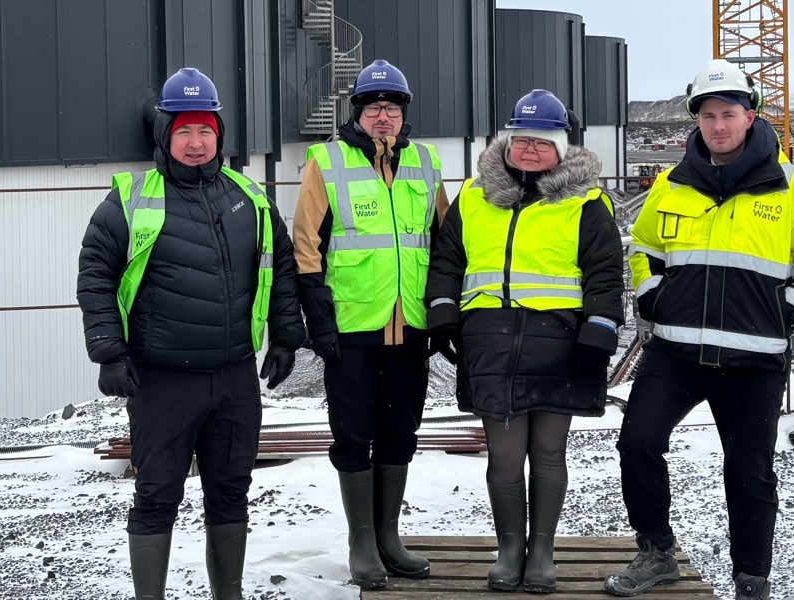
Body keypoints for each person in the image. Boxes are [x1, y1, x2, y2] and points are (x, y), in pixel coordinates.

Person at [603, 59, 794, 599]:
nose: (719, 125)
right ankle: (656, 552)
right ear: (697, 120)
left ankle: (751, 579)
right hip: (675, 354)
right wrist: (653, 294)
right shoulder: (671, 184)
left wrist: (787, 311)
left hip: (752, 359)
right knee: (637, 443)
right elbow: (644, 248)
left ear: (750, 116)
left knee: (749, 470)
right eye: (708, 115)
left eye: (729, 114)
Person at [77, 67, 306, 600]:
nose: (196, 142)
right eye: (184, 131)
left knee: (230, 492)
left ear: (219, 135)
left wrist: (286, 336)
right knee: (157, 494)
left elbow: (281, 267)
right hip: (162, 380)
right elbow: (95, 276)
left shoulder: (249, 196)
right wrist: (109, 352)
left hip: (234, 378)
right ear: (165, 134)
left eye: (206, 130)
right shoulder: (131, 200)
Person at [425, 89, 624, 593]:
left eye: (542, 142)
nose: (530, 150)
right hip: (490, 342)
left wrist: (601, 330)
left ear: (561, 148)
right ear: (507, 143)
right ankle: (510, 549)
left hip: (560, 344)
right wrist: (443, 313)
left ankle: (542, 552)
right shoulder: (474, 197)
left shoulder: (587, 202)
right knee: (505, 455)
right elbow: (447, 260)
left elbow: (604, 272)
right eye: (521, 141)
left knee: (549, 451)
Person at [291, 59, 450, 588]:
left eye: (393, 108)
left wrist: (443, 312)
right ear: (357, 112)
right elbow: (306, 246)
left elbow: (445, 242)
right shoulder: (327, 162)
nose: (384, 116)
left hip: (411, 327)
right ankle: (361, 541)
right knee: (353, 434)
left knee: (400, 431)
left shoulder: (426, 163)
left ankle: (388, 536)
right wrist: (319, 320)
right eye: (374, 107)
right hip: (352, 327)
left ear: (404, 115)